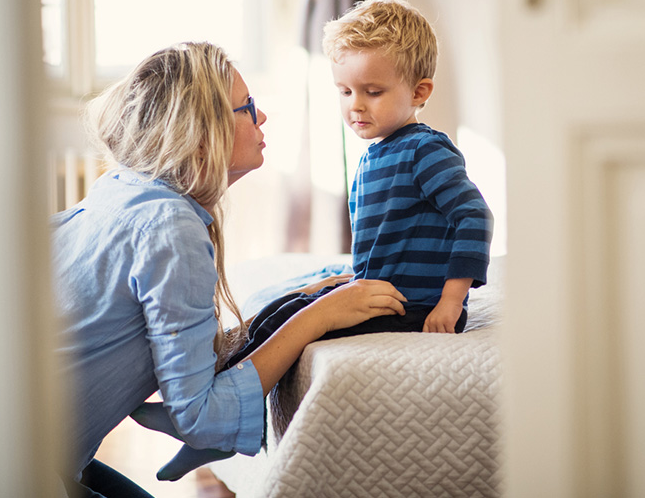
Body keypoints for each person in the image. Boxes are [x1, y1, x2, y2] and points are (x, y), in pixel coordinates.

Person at [148, 0, 493, 480]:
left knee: (298, 328)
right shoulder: (378, 152)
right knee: (279, 310)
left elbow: (473, 217)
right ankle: (205, 405)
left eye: (372, 91)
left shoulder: (425, 150)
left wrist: (451, 302)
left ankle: (212, 431)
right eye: (345, 91)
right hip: (382, 289)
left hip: (414, 305)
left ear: (419, 92)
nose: (356, 106)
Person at [51, 41, 407, 497]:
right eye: (248, 107)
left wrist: (299, 302)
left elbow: (185, 346)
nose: (262, 118)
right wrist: (322, 316)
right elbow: (199, 414)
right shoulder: (170, 227)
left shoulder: (121, 189)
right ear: (201, 134)